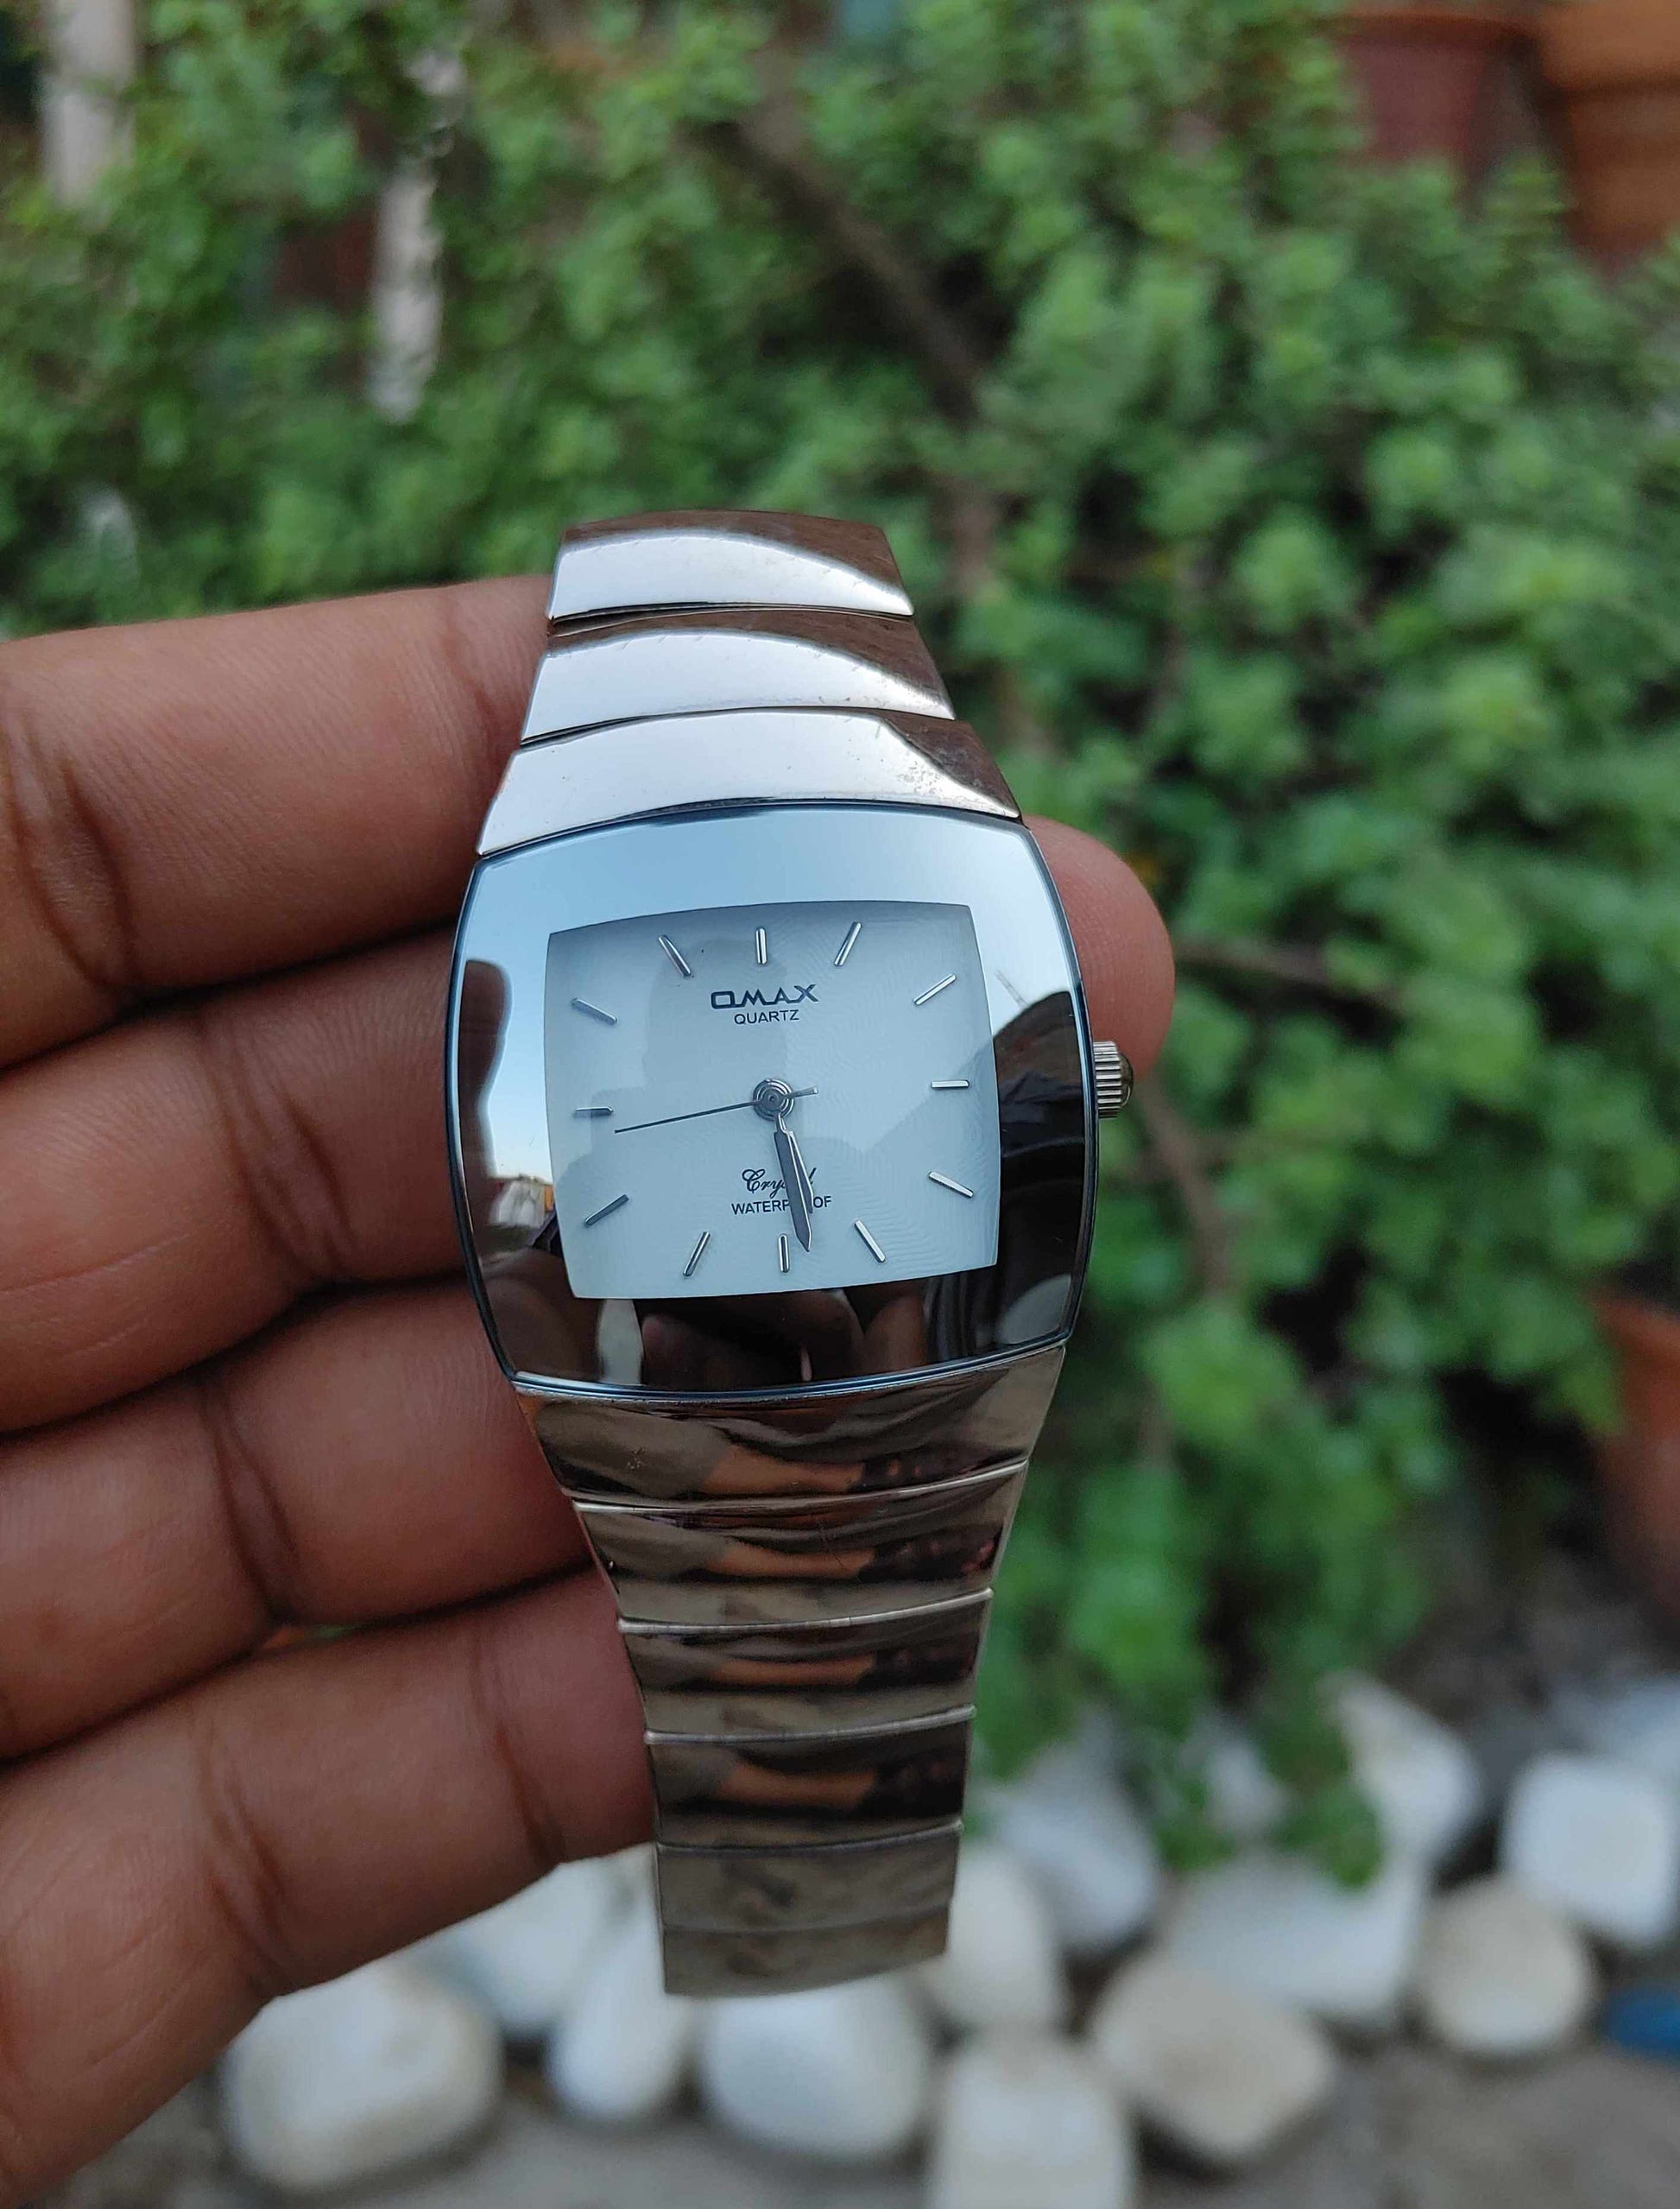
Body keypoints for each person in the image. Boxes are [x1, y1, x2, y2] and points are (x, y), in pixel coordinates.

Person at [0, 576, 1175, 2194]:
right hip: (663, 1380)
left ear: (1063, 1094)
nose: (775, 1101)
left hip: (886, 1371)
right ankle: (808, 1950)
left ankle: (815, 1938)